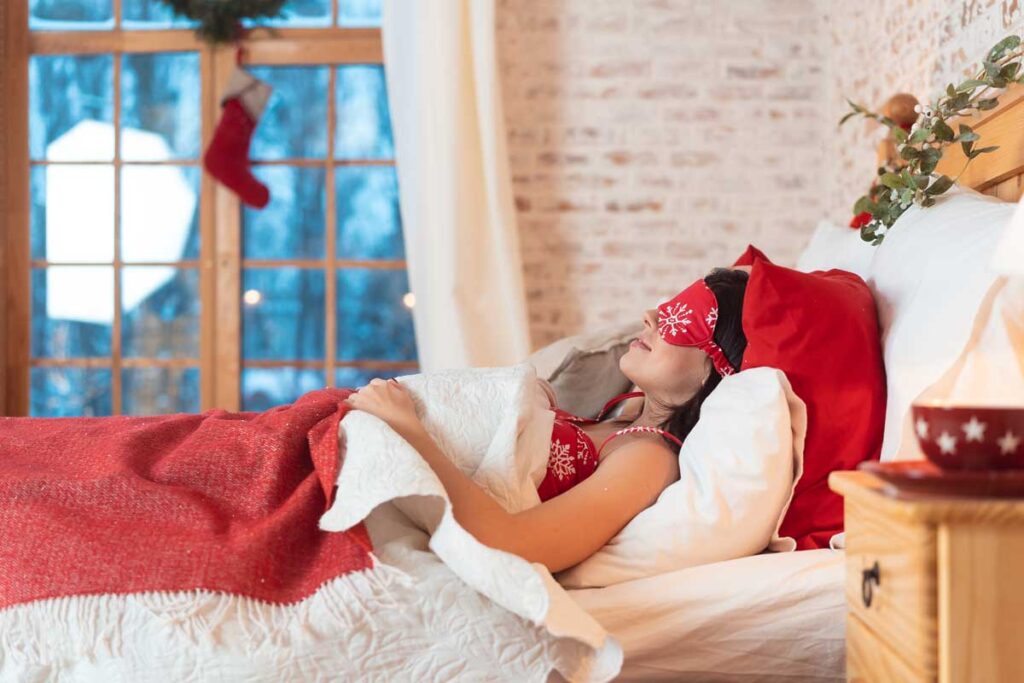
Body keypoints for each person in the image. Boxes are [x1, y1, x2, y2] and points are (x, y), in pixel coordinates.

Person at [343, 267, 749, 574]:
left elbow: (513, 544)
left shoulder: (649, 459)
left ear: (713, 370)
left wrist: (411, 431)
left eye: (682, 319)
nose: (651, 316)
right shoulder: (621, 414)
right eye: (667, 305)